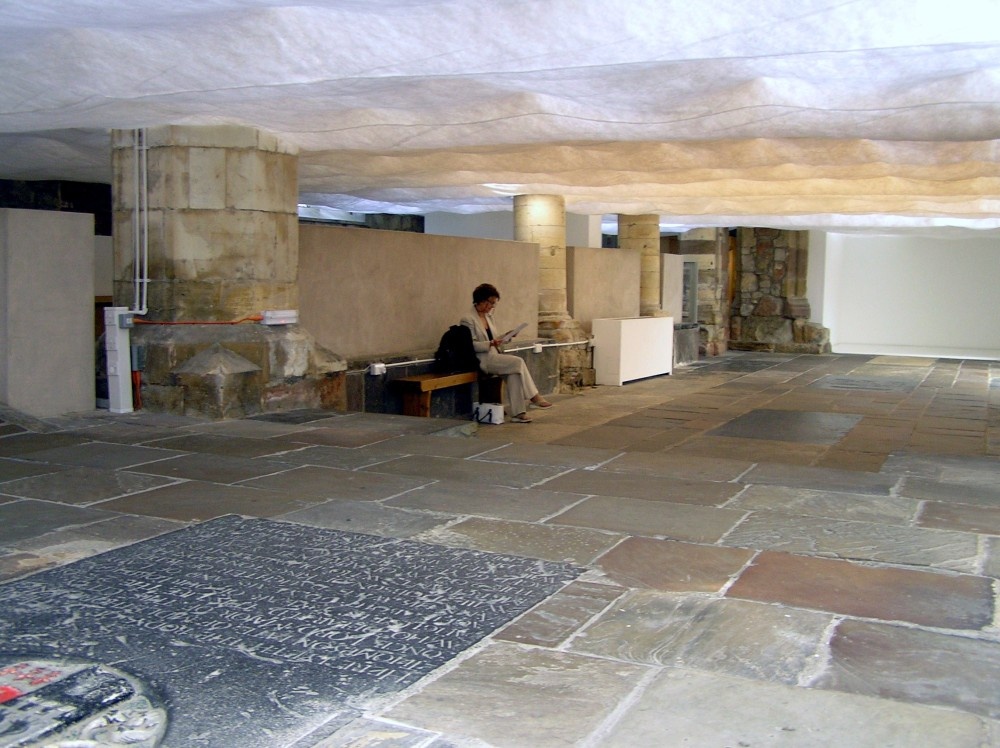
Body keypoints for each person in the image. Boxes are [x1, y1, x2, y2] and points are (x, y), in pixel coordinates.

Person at [460, 283, 552, 423]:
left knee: (514, 373)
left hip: (495, 356)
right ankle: (534, 397)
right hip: (482, 359)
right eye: (491, 303)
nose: (492, 306)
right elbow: (469, 345)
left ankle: (518, 413)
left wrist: (506, 336)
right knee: (518, 362)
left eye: (493, 303)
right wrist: (490, 343)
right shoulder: (468, 319)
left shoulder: (489, 318)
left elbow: (495, 339)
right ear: (481, 300)